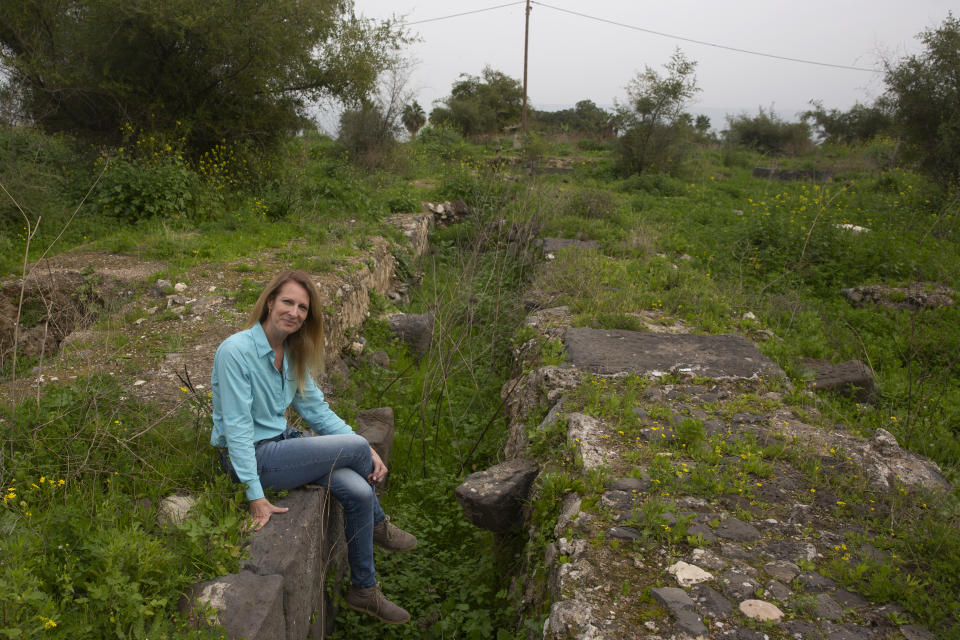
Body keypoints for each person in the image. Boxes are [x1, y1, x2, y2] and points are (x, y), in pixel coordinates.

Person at [210, 269, 415, 625]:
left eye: (303, 308)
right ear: (270, 302)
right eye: (287, 302)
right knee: (356, 448)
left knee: (360, 494)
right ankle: (378, 526)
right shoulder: (236, 351)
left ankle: (363, 591)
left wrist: (362, 448)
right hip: (251, 458)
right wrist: (255, 497)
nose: (294, 312)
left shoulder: (291, 351)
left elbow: (316, 411)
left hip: (282, 445)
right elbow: (239, 431)